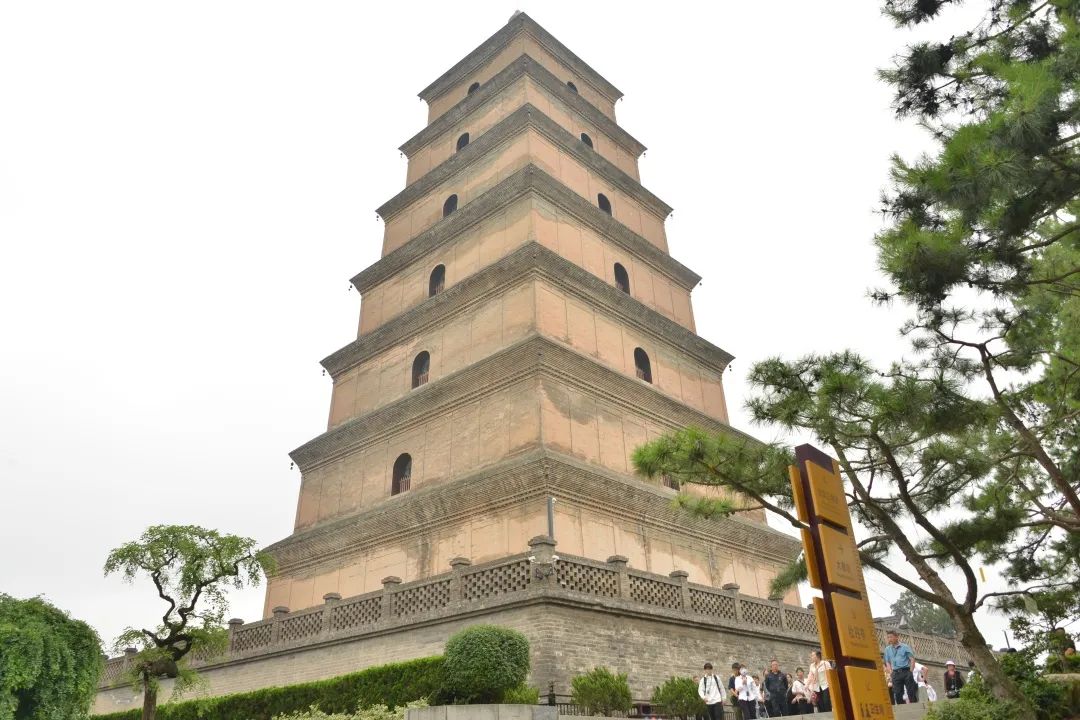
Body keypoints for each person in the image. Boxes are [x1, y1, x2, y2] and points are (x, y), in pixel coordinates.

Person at [883, 629, 918, 704]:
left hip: (906, 671)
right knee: (897, 693)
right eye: (888, 637)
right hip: (895, 673)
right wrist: (891, 672)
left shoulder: (905, 647)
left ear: (896, 637)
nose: (889, 639)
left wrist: (911, 671)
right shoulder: (887, 649)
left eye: (891, 637)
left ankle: (914, 706)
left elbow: (912, 659)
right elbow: (887, 662)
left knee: (911, 691)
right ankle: (902, 707)